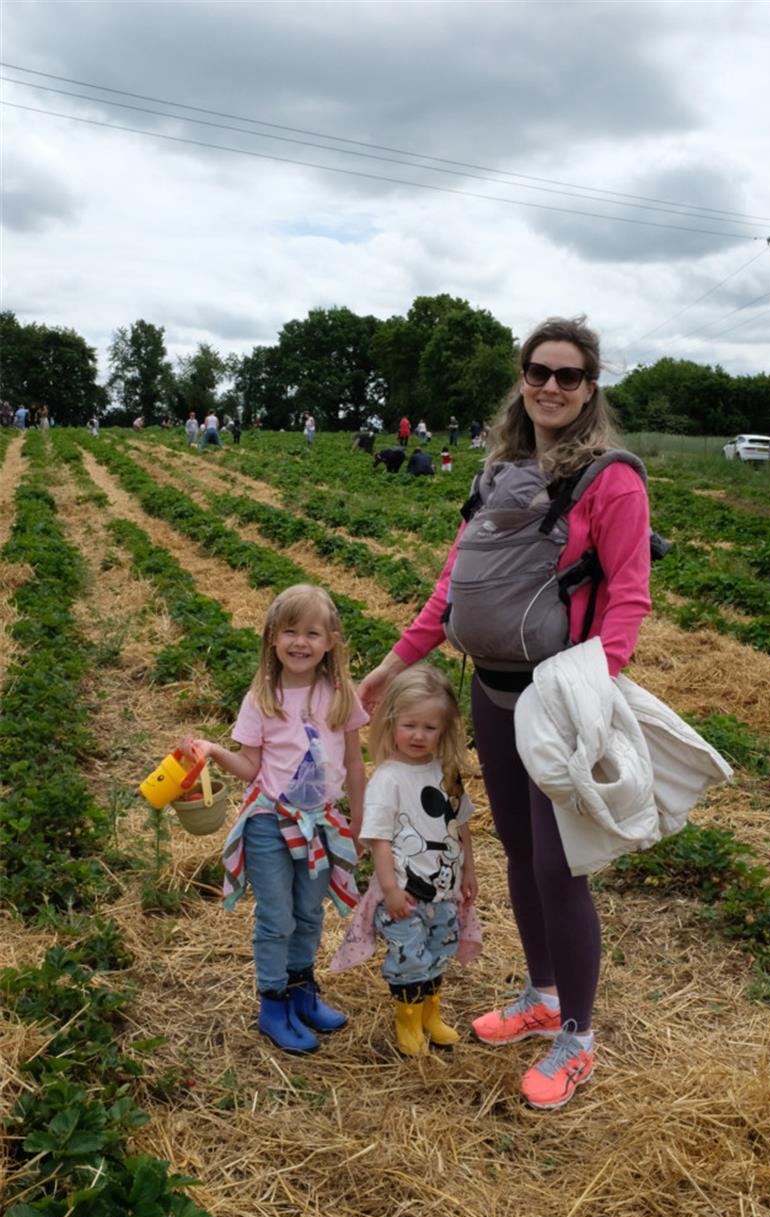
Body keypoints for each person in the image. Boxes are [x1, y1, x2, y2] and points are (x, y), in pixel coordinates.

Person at [358, 315, 652, 1110]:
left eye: (568, 375)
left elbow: (628, 595)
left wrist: (593, 685)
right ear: (523, 378)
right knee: (522, 852)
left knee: (561, 869)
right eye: (539, 371)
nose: (551, 386)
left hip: (559, 699)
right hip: (493, 690)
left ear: (591, 387)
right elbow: (452, 583)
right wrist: (393, 663)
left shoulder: (610, 479)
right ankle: (543, 994)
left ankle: (578, 1037)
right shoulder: (499, 471)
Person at [182, 584, 367, 1055]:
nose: (300, 642)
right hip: (269, 821)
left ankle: (303, 992)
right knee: (277, 917)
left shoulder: (340, 696)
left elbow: (355, 765)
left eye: (311, 632)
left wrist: (361, 825)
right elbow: (250, 768)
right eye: (289, 631)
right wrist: (213, 750)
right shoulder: (262, 699)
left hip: (322, 823)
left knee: (309, 912)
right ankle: (273, 1002)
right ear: (271, 639)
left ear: (330, 641)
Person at [333, 666, 478, 1056]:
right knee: (408, 957)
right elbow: (379, 840)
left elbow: (459, 825)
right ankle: (408, 1021)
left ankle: (431, 1014)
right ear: (391, 723)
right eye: (410, 725)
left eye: (430, 727)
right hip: (404, 894)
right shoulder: (389, 779)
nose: (418, 736)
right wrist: (392, 890)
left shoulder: (446, 772)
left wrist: (469, 869)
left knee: (438, 951)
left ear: (445, 730)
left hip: (443, 889)